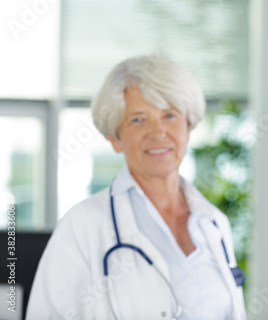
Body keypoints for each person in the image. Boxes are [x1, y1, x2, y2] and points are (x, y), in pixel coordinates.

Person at [27, 55, 246, 320]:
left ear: (188, 127)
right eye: (138, 119)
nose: (158, 132)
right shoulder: (82, 224)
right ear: (114, 138)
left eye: (169, 115)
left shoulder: (214, 223)